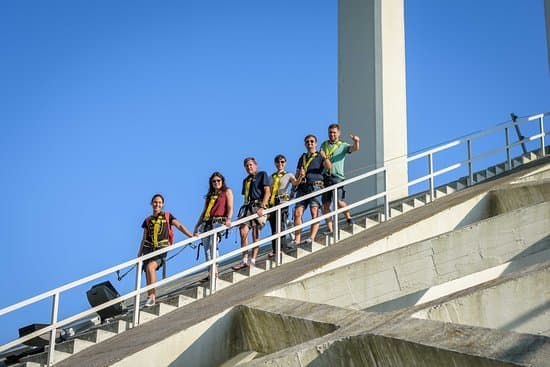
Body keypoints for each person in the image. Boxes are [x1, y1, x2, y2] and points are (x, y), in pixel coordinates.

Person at [138, 194, 193, 307]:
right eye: (155, 202)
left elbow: (179, 226)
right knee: (148, 271)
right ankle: (150, 296)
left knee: (150, 267)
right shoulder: (147, 220)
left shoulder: (168, 216)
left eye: (159, 202)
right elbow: (144, 238)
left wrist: (190, 235)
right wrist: (139, 254)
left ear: (162, 204)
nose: (157, 204)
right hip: (148, 249)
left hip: (161, 249)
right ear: (151, 203)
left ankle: (152, 297)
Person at [290, 135, 330, 246]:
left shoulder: (320, 156)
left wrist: (324, 157)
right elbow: (297, 174)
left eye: (312, 141)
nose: (310, 143)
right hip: (302, 186)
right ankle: (297, 239)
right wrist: (293, 189)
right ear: (305, 144)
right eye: (307, 142)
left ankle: (311, 237)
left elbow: (329, 167)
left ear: (316, 143)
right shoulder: (302, 157)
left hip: (315, 186)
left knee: (314, 211)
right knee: (297, 212)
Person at [232, 157, 271, 270]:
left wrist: (263, 206)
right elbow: (246, 196)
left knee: (255, 233)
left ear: (255, 165)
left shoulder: (262, 174)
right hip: (248, 207)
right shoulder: (246, 180)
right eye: (247, 166)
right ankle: (244, 259)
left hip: (258, 205)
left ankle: (253, 259)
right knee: (243, 231)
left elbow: (267, 191)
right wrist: (242, 213)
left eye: (251, 165)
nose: (249, 167)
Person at [321, 123, 360, 234]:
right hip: (326, 177)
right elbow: (322, 157)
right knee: (326, 205)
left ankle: (349, 218)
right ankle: (330, 228)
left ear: (338, 133)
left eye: (334, 132)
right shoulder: (324, 144)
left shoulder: (342, 145)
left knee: (338, 202)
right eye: (330, 132)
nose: (332, 134)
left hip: (337, 177)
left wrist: (356, 141)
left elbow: (354, 148)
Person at [193, 172, 233, 280]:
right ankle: (210, 272)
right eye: (214, 181)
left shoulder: (226, 191)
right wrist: (197, 226)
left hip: (218, 221)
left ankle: (215, 271)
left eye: (218, 181)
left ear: (222, 181)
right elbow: (204, 211)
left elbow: (229, 207)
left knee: (212, 245)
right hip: (206, 223)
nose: (216, 183)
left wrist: (228, 219)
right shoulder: (210, 195)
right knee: (206, 249)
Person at [267, 154, 297, 258]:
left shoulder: (288, 174)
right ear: (275, 163)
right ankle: (275, 249)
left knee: (280, 225)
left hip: (282, 201)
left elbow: (295, 183)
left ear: (285, 163)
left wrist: (301, 175)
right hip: (272, 202)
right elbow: (268, 190)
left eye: (282, 162)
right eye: (278, 162)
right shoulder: (271, 177)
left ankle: (282, 248)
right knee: (273, 227)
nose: (280, 164)